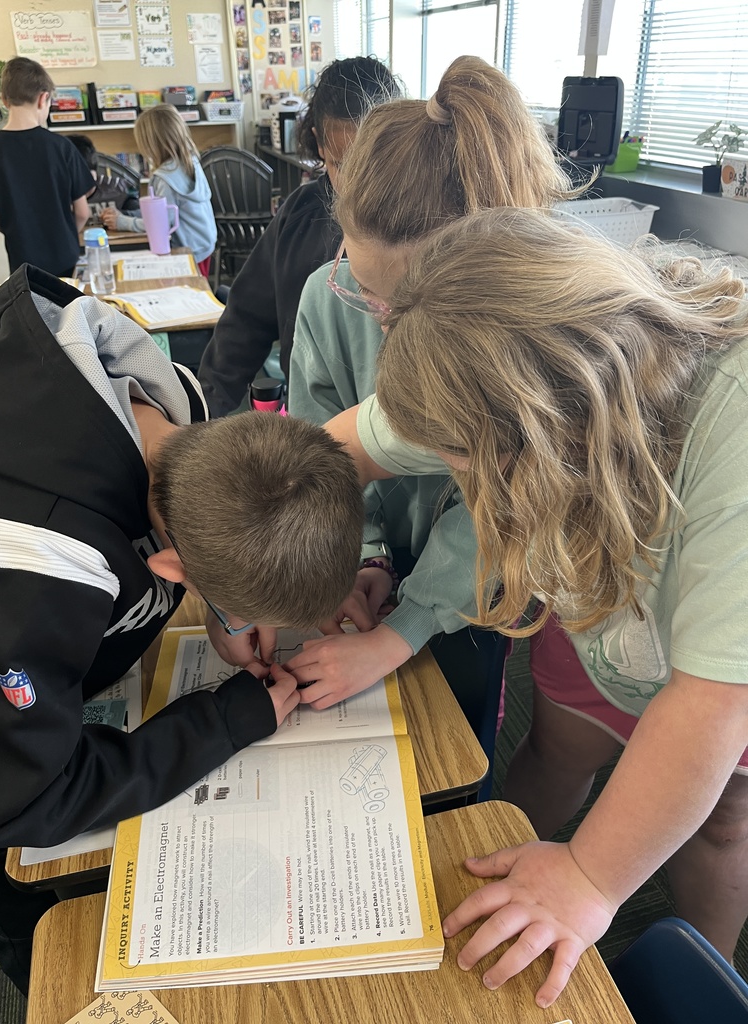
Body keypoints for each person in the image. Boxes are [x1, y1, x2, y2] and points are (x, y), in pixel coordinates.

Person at [325, 206, 748, 1006]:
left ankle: (702, 979)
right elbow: (338, 452)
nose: (458, 476)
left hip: (720, 677)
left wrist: (589, 878)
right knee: (556, 751)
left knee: (722, 816)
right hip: (606, 621)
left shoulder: (734, 423)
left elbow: (710, 705)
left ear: (548, 425)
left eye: (468, 460)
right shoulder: (507, 365)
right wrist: (309, 564)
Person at [0, 262, 362, 993]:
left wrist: (226, 610)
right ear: (174, 571)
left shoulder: (172, 405)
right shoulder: (35, 576)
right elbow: (29, 796)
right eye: (246, 613)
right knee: (33, 915)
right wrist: (224, 721)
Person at [285, 57, 579, 738]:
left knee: (462, 728)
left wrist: (406, 629)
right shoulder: (330, 299)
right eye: (361, 290)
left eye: (401, 306)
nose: (381, 321)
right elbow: (326, 441)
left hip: (484, 580)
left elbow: (509, 501)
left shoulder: (521, 343)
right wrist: (365, 551)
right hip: (383, 559)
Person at [197, 56, 402, 418]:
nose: (359, 184)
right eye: (342, 165)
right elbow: (245, 319)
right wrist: (201, 410)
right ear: (318, 144)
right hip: (310, 417)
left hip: (394, 425)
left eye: (372, 163)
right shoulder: (300, 213)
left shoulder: (424, 218)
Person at [0, 57, 94, 276]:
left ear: (4, 100)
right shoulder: (62, 147)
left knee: (30, 309)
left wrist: (19, 234)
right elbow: (82, 212)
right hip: (65, 258)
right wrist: (66, 237)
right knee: (67, 309)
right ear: (44, 99)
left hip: (22, 262)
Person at [101, 104, 217, 277]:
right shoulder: (190, 162)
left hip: (185, 250)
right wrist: (127, 215)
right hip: (203, 243)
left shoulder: (164, 178)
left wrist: (122, 222)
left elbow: (160, 224)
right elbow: (163, 212)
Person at [68, 132, 141, 226]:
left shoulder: (118, 190)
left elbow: (143, 214)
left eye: (84, 178)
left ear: (95, 173)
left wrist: (122, 216)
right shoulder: (56, 195)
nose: (80, 185)